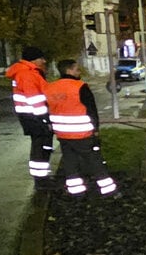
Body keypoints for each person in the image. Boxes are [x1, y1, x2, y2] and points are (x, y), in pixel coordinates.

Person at [45, 59, 118, 199]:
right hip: (82, 133)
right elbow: (91, 109)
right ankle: (108, 190)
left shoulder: (50, 87)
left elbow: (48, 109)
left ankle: (77, 192)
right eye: (77, 69)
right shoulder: (80, 86)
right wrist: (95, 129)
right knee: (94, 161)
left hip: (62, 134)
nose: (79, 72)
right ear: (69, 70)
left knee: (70, 163)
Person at [5, 46, 53, 189]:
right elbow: (35, 99)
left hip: (31, 115)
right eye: (41, 58)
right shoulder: (27, 74)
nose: (44, 61)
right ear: (34, 59)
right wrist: (46, 118)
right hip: (34, 116)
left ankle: (42, 177)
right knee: (41, 146)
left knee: (41, 145)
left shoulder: (27, 72)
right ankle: (41, 180)